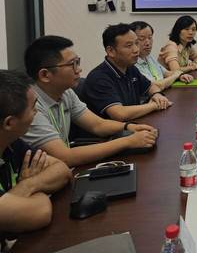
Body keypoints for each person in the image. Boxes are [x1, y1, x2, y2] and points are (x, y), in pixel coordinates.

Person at [21, 36, 158, 167]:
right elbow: (65, 157)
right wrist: (128, 141)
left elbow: (97, 125)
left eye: (78, 62)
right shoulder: (29, 107)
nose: (79, 69)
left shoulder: (66, 92)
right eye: (72, 64)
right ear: (45, 75)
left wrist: (129, 127)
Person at [0, 70, 71, 242]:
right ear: (9, 123)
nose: (36, 113)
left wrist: (28, 185)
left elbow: (61, 169)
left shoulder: (11, 144)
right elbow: (40, 212)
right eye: (33, 108)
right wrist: (31, 192)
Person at [84, 23, 171, 121]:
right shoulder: (98, 78)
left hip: (135, 124)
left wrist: (156, 94)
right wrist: (155, 105)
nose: (136, 50)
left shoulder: (130, 68)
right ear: (111, 51)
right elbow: (119, 114)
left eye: (136, 43)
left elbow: (150, 86)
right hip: (115, 129)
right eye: (129, 46)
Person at [130, 21, 194, 90]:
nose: (148, 43)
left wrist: (181, 75)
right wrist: (176, 75)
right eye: (142, 39)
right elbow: (156, 85)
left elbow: (166, 73)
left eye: (150, 37)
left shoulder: (149, 57)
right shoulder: (132, 64)